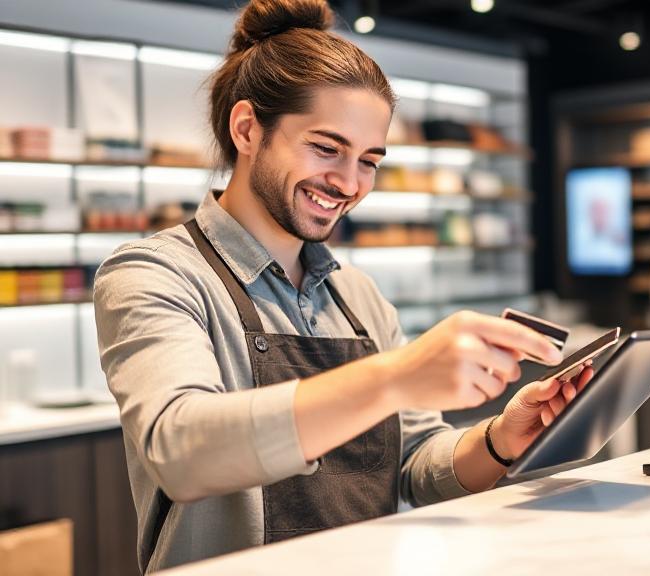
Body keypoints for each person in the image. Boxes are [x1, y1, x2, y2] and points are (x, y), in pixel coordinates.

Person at [93, 0, 593, 572]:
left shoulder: (357, 296)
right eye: (326, 148)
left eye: (369, 161)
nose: (349, 183)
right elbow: (180, 452)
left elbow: (414, 465)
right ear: (248, 128)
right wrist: (393, 377)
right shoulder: (156, 273)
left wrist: (502, 439)